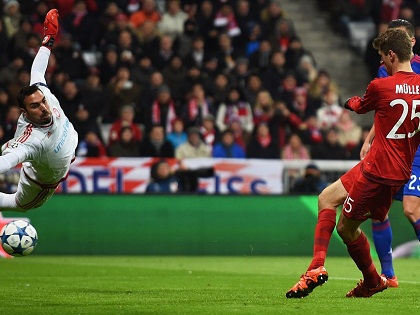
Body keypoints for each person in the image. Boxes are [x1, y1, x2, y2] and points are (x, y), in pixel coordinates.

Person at [286, 28, 420, 298]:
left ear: (392, 55)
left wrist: (346, 101)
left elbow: (360, 106)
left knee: (346, 229)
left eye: (383, 58)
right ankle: (321, 268)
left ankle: (371, 280)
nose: (382, 64)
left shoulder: (381, 86)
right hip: (396, 169)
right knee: (326, 197)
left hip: (378, 171)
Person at [360, 19, 420, 288]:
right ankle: (389, 274)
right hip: (392, 150)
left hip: (416, 151)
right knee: (378, 210)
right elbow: (385, 111)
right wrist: (369, 139)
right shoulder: (385, 69)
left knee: (410, 209)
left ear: (411, 42)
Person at [0, 9, 78, 212]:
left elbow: (37, 71)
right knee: (18, 205)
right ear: (24, 112)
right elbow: (8, 162)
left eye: (42, 102)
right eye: (35, 106)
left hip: (62, 151)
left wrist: (49, 38)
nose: (44, 107)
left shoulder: (43, 94)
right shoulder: (32, 141)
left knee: (10, 147)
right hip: (41, 181)